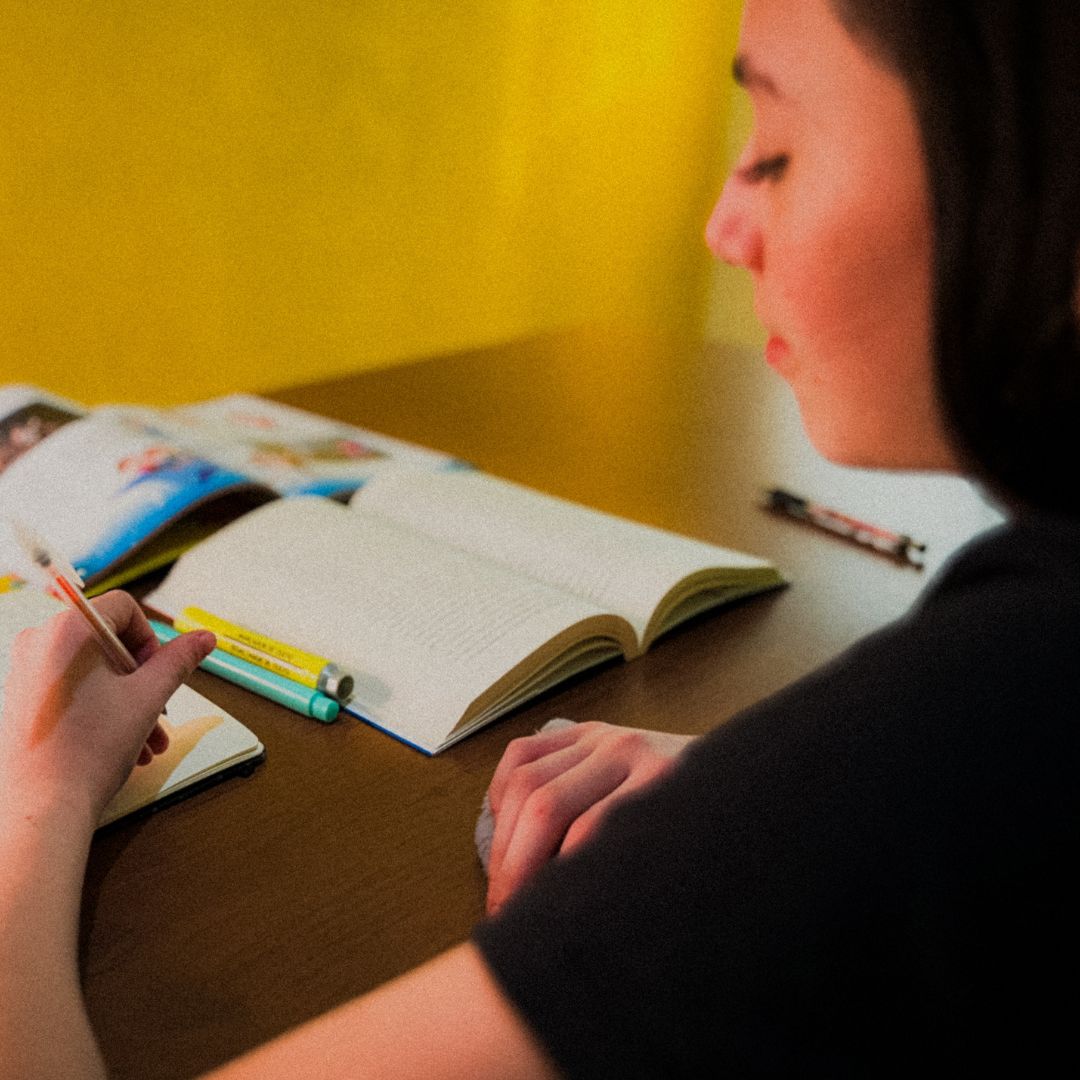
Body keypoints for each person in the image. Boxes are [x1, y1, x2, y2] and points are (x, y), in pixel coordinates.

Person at [2, 0, 1078, 1075]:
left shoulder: (982, 717)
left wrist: (35, 795)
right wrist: (757, 777)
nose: (723, 230)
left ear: (1033, 152)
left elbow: (934, 781)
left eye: (779, 153)